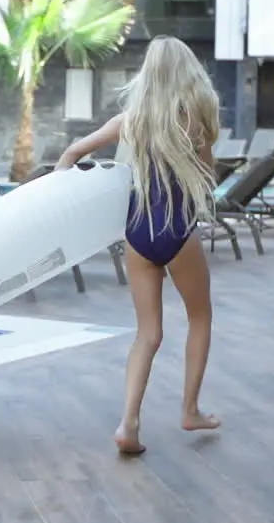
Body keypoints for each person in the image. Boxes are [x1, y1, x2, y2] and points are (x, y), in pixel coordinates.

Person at [55, 36, 221, 454]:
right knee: (199, 318)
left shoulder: (128, 122)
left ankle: (128, 424)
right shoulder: (197, 121)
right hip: (179, 232)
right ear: (187, 74)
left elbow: (72, 152)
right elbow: (206, 172)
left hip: (137, 234)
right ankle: (190, 410)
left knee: (147, 334)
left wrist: (63, 195)